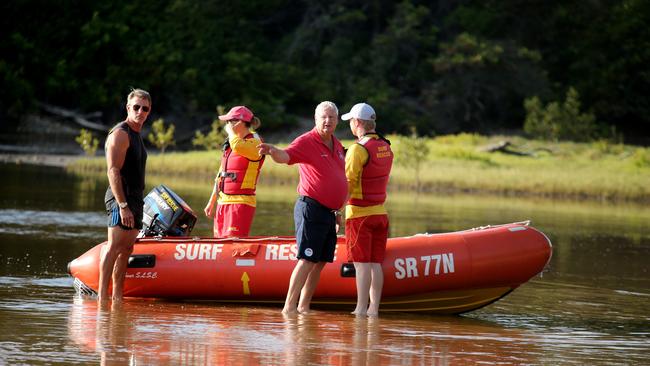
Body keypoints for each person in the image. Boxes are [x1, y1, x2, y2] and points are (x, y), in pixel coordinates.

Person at [258, 101, 348, 314]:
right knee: (307, 259)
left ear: (336, 120)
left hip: (329, 213)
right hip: (311, 208)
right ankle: (289, 307)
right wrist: (272, 151)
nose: (327, 121)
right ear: (316, 119)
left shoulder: (337, 144)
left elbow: (338, 179)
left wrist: (337, 213)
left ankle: (304, 305)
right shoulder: (307, 141)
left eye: (331, 117)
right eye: (323, 117)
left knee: (320, 262)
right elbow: (286, 156)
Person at [99, 88, 151, 303]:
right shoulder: (120, 133)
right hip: (120, 199)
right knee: (114, 246)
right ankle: (102, 298)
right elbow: (113, 171)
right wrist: (122, 205)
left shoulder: (137, 135)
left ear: (149, 111)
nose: (140, 111)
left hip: (136, 198)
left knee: (127, 248)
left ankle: (117, 297)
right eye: (136, 107)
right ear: (128, 108)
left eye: (145, 108)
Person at [341, 103, 393, 316]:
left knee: (362, 265)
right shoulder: (386, 146)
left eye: (351, 121)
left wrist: (337, 209)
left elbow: (348, 183)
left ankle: (360, 309)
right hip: (380, 214)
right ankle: (374, 309)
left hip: (359, 216)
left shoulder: (357, 149)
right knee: (375, 264)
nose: (351, 125)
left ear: (358, 122)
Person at [204, 106, 264, 237]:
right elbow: (220, 175)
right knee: (219, 246)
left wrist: (231, 132)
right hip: (223, 202)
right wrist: (212, 201)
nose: (227, 125)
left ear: (240, 122)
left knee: (233, 245)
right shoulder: (231, 144)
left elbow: (238, 146)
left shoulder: (255, 143)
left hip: (241, 203)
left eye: (229, 121)